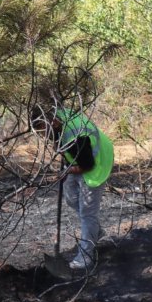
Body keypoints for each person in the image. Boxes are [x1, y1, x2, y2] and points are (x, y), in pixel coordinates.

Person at [31, 106, 114, 271]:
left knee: (87, 213)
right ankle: (96, 232)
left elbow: (87, 165)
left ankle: (86, 257)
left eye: (43, 130)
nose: (43, 135)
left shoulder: (77, 137)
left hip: (97, 163)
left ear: (52, 122)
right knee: (71, 199)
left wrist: (67, 171)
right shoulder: (58, 115)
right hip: (80, 157)